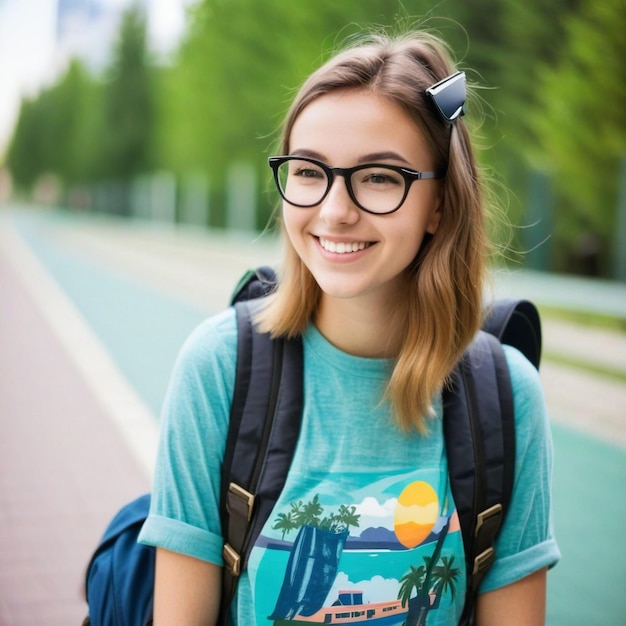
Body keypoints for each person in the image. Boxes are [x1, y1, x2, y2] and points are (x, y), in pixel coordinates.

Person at [138, 29, 560, 625]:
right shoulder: (218, 368)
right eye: (310, 171)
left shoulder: (506, 395)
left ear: (440, 205)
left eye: (380, 178)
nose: (335, 210)